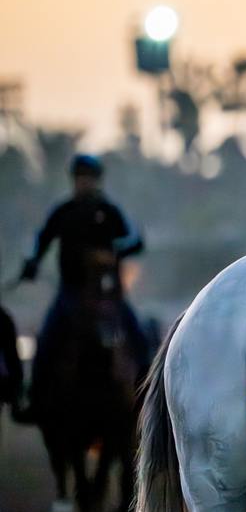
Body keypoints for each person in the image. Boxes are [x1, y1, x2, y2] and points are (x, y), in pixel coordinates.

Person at [19, 153, 149, 417]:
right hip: (71, 293)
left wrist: (117, 250)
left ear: (97, 181)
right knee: (46, 339)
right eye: (80, 179)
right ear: (74, 181)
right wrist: (32, 262)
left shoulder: (109, 212)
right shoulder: (63, 213)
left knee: (137, 335)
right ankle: (35, 398)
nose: (84, 183)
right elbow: (42, 240)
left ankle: (147, 397)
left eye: (89, 179)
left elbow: (133, 240)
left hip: (108, 295)